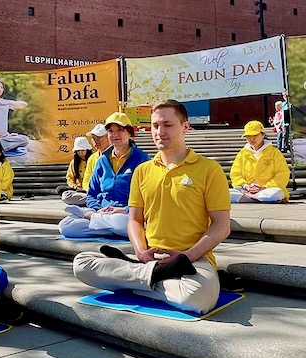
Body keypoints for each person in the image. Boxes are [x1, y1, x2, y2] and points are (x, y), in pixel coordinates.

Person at [73, 99, 231, 314]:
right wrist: (141, 253)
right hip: (150, 259)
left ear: (185, 127)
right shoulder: (143, 170)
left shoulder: (209, 169)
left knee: (198, 297)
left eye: (167, 125)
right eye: (155, 126)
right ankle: (151, 276)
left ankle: (134, 280)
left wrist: (186, 257)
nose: (160, 131)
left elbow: (221, 226)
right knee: (81, 264)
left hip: (192, 260)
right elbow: (135, 220)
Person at [59, 112, 149, 238]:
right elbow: (91, 194)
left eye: (120, 130)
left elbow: (149, 198)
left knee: (125, 222)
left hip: (127, 214)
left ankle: (96, 221)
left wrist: (125, 210)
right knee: (66, 226)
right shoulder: (102, 160)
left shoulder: (142, 159)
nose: (115, 135)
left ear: (129, 132)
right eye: (111, 131)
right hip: (103, 211)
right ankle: (107, 225)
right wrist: (99, 209)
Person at [229, 120, 290, 203]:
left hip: (267, 189)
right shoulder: (242, 153)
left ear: (263, 134)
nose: (252, 139)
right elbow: (235, 174)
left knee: (277, 193)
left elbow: (282, 174)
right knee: (225, 193)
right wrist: (246, 186)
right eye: (248, 136)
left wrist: (265, 187)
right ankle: (255, 198)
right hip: (246, 190)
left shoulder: (274, 152)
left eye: (255, 135)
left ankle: (250, 198)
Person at [57, 136, 93, 206]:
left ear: (87, 150)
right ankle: (87, 199)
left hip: (91, 189)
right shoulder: (74, 162)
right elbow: (69, 178)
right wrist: (75, 187)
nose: (81, 153)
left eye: (83, 150)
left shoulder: (93, 159)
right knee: (61, 190)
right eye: (78, 151)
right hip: (79, 190)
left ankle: (88, 199)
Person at [83, 124, 111, 190]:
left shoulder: (114, 155)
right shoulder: (92, 158)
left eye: (99, 138)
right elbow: (86, 179)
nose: (95, 141)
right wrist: (89, 190)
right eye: (93, 138)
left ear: (108, 137)